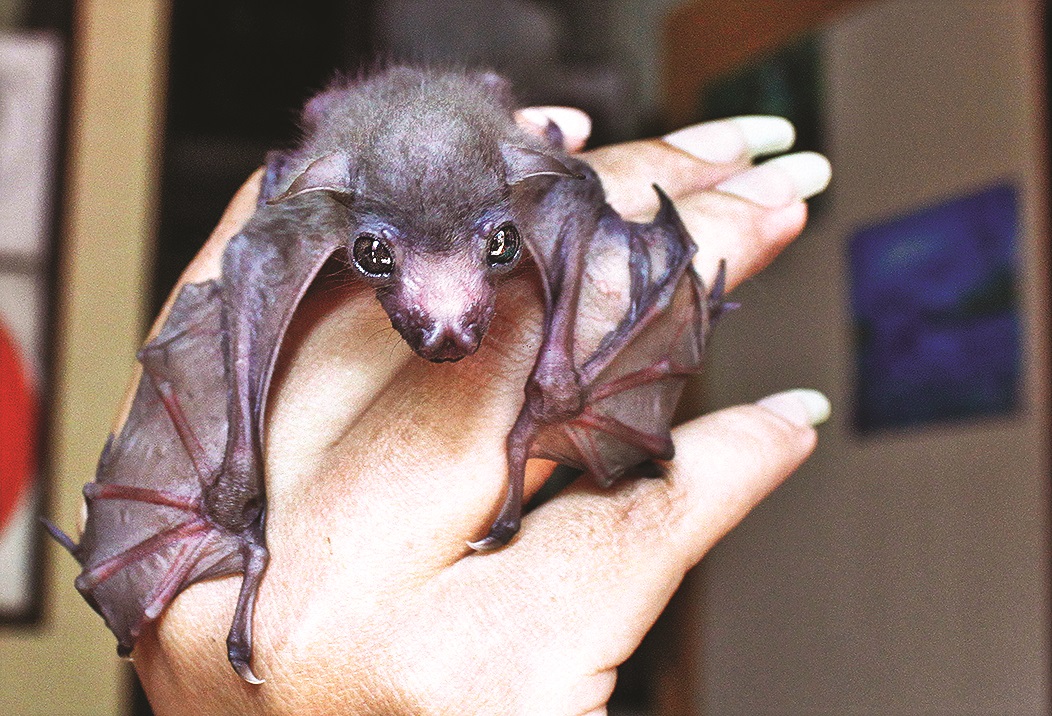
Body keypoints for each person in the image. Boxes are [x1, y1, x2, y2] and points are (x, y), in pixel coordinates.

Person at [129, 107, 831, 715]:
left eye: (495, 249)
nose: (447, 334)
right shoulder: (297, 233)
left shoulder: (537, 202)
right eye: (377, 257)